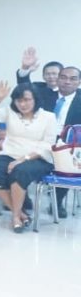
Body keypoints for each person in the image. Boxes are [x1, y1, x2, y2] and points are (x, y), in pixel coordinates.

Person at [0, 82, 57, 232]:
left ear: (35, 99)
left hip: (38, 158)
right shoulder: (10, 112)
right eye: (19, 100)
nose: (22, 104)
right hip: (10, 154)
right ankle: (20, 214)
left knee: (20, 171)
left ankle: (15, 217)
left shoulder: (48, 117)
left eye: (27, 100)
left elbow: (48, 146)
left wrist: (21, 160)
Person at [49, 66, 81, 217]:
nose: (67, 82)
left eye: (73, 79)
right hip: (42, 139)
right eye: (63, 77)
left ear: (79, 82)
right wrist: (24, 70)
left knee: (68, 164)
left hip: (68, 143)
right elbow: (24, 87)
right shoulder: (45, 95)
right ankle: (23, 200)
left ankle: (56, 201)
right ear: (58, 79)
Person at [16, 47, 61, 112]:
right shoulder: (37, 87)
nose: (51, 76)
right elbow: (23, 85)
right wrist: (25, 68)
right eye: (47, 74)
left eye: (54, 74)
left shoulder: (71, 92)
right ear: (43, 76)